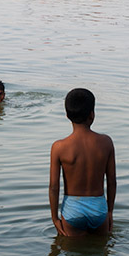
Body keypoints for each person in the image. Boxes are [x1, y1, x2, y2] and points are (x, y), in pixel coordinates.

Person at [49, 88, 116, 236]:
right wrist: (109, 212)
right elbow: (111, 181)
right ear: (92, 114)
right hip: (99, 208)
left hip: (73, 209)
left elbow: (54, 187)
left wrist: (54, 218)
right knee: (101, 254)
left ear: (67, 115)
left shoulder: (59, 147)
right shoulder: (106, 142)